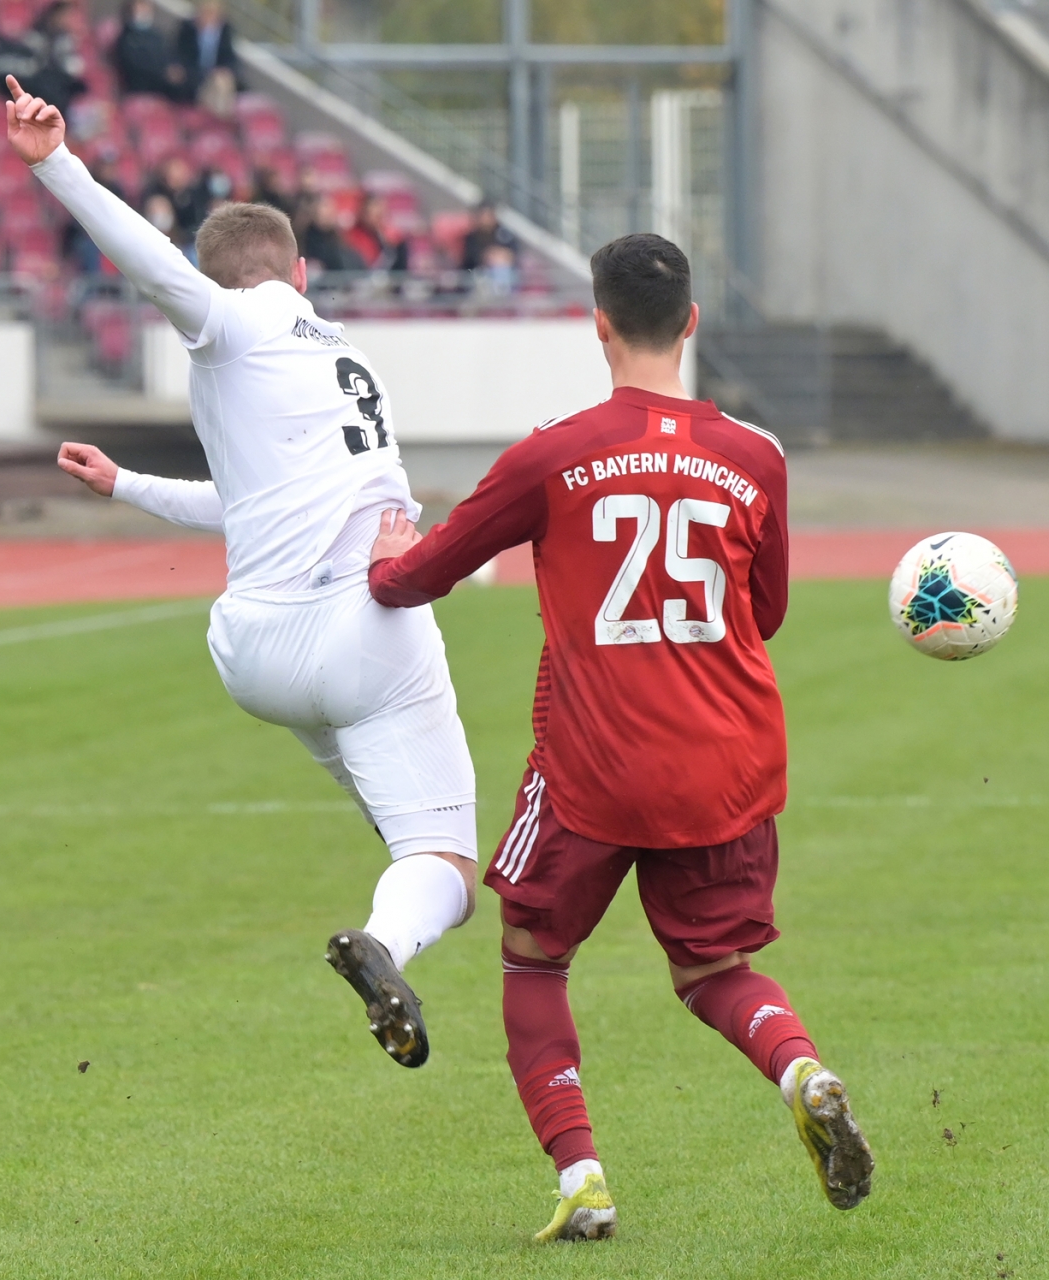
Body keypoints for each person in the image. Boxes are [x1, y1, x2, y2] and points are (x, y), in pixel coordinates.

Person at [366, 233, 874, 1241]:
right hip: (728, 762)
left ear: (597, 324)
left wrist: (387, 558)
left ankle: (584, 1178)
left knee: (533, 955)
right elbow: (765, 612)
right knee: (715, 971)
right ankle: (800, 1070)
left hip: (592, 766)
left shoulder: (552, 452)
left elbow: (420, 576)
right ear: (692, 323)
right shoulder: (757, 455)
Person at [4, 74, 479, 1068]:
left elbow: (246, 497)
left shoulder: (233, 332)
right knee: (441, 860)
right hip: (359, 628)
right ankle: (386, 941)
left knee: (393, 813)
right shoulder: (343, 358)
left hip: (254, 651)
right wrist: (58, 166)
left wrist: (126, 484)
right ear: (300, 270)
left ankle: (389, 913)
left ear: (225, 278)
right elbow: (159, 268)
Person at [173, 0, 236, 109]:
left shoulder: (224, 31)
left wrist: (224, 70)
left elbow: (229, 57)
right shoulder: (187, 29)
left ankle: (221, 111)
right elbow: (180, 55)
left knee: (223, 80)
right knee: (217, 84)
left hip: (216, 74)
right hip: (193, 74)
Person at [110, 0, 179, 98]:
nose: (144, 13)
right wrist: (162, 73)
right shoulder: (126, 38)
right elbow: (134, 64)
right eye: (140, 10)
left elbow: (166, 56)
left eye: (146, 10)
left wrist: (173, 70)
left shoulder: (156, 35)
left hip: (162, 85)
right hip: (140, 86)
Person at [297, 193, 361, 273]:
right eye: (325, 207)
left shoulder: (338, 238)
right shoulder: (306, 237)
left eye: (331, 208)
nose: (329, 212)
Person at [345, 194, 407, 273]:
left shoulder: (391, 237)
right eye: (374, 215)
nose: (378, 219)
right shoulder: (352, 237)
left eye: (381, 215)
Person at [459, 199, 517, 271]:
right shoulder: (472, 237)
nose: (487, 220)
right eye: (484, 216)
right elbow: (470, 260)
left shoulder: (503, 234)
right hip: (479, 272)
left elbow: (514, 252)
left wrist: (502, 255)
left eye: (489, 215)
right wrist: (486, 256)